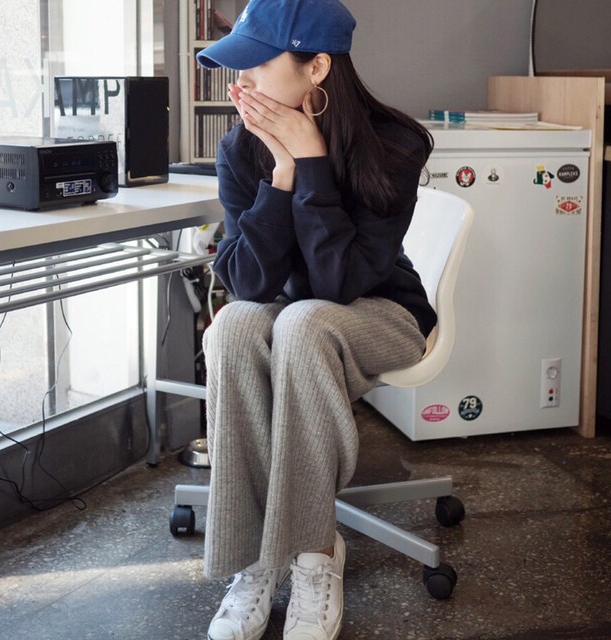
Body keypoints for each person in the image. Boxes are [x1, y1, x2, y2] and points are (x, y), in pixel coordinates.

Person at [196, 0, 435, 638]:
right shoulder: (240, 150)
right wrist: (282, 174)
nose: (241, 82)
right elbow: (247, 285)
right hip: (289, 314)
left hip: (382, 312)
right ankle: (254, 561)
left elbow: (339, 284)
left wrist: (314, 164)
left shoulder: (396, 145)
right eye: (237, 67)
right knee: (234, 326)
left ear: (318, 67)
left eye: (256, 65)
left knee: (303, 322)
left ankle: (315, 553)